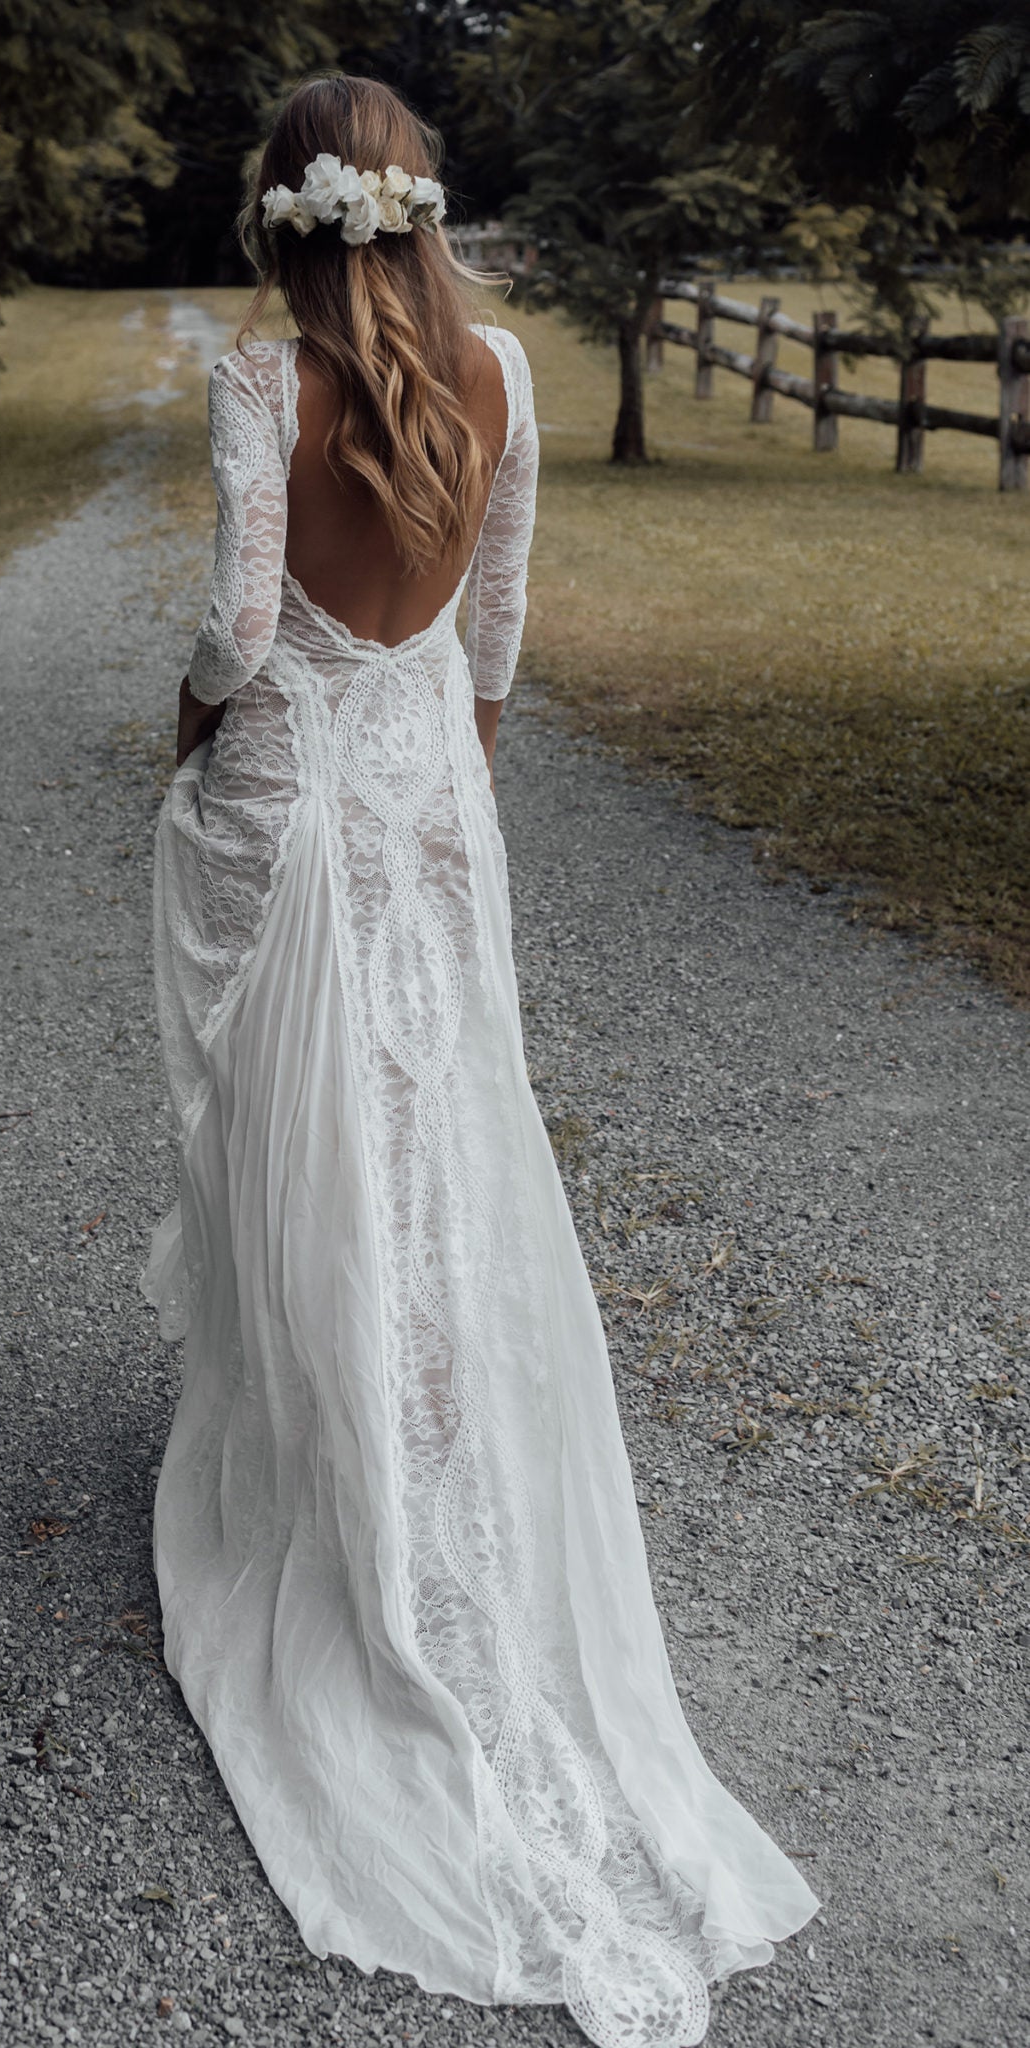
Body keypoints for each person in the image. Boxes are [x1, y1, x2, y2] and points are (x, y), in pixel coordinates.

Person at [141, 71, 819, 2048]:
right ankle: (433, 1432)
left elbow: (236, 625)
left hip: (296, 792)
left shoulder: (261, 387)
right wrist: (457, 773)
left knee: (306, 1128)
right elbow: (496, 622)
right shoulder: (506, 369)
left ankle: (331, 1444)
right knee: (441, 1136)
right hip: (431, 783)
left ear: (284, 222)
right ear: (419, 210)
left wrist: (180, 735)